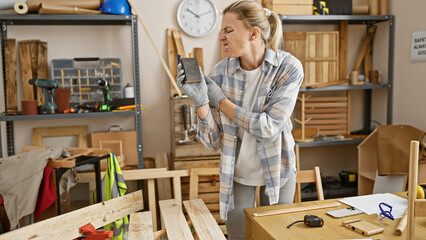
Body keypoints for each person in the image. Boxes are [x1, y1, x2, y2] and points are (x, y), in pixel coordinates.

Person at [177, 1, 304, 239]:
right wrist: (201, 102)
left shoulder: (287, 68)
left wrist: (221, 101)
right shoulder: (218, 74)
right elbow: (213, 142)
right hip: (236, 172)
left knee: (276, 236)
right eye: (221, 31)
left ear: (253, 33)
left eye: (228, 30)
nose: (221, 38)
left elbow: (269, 128)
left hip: (278, 169)